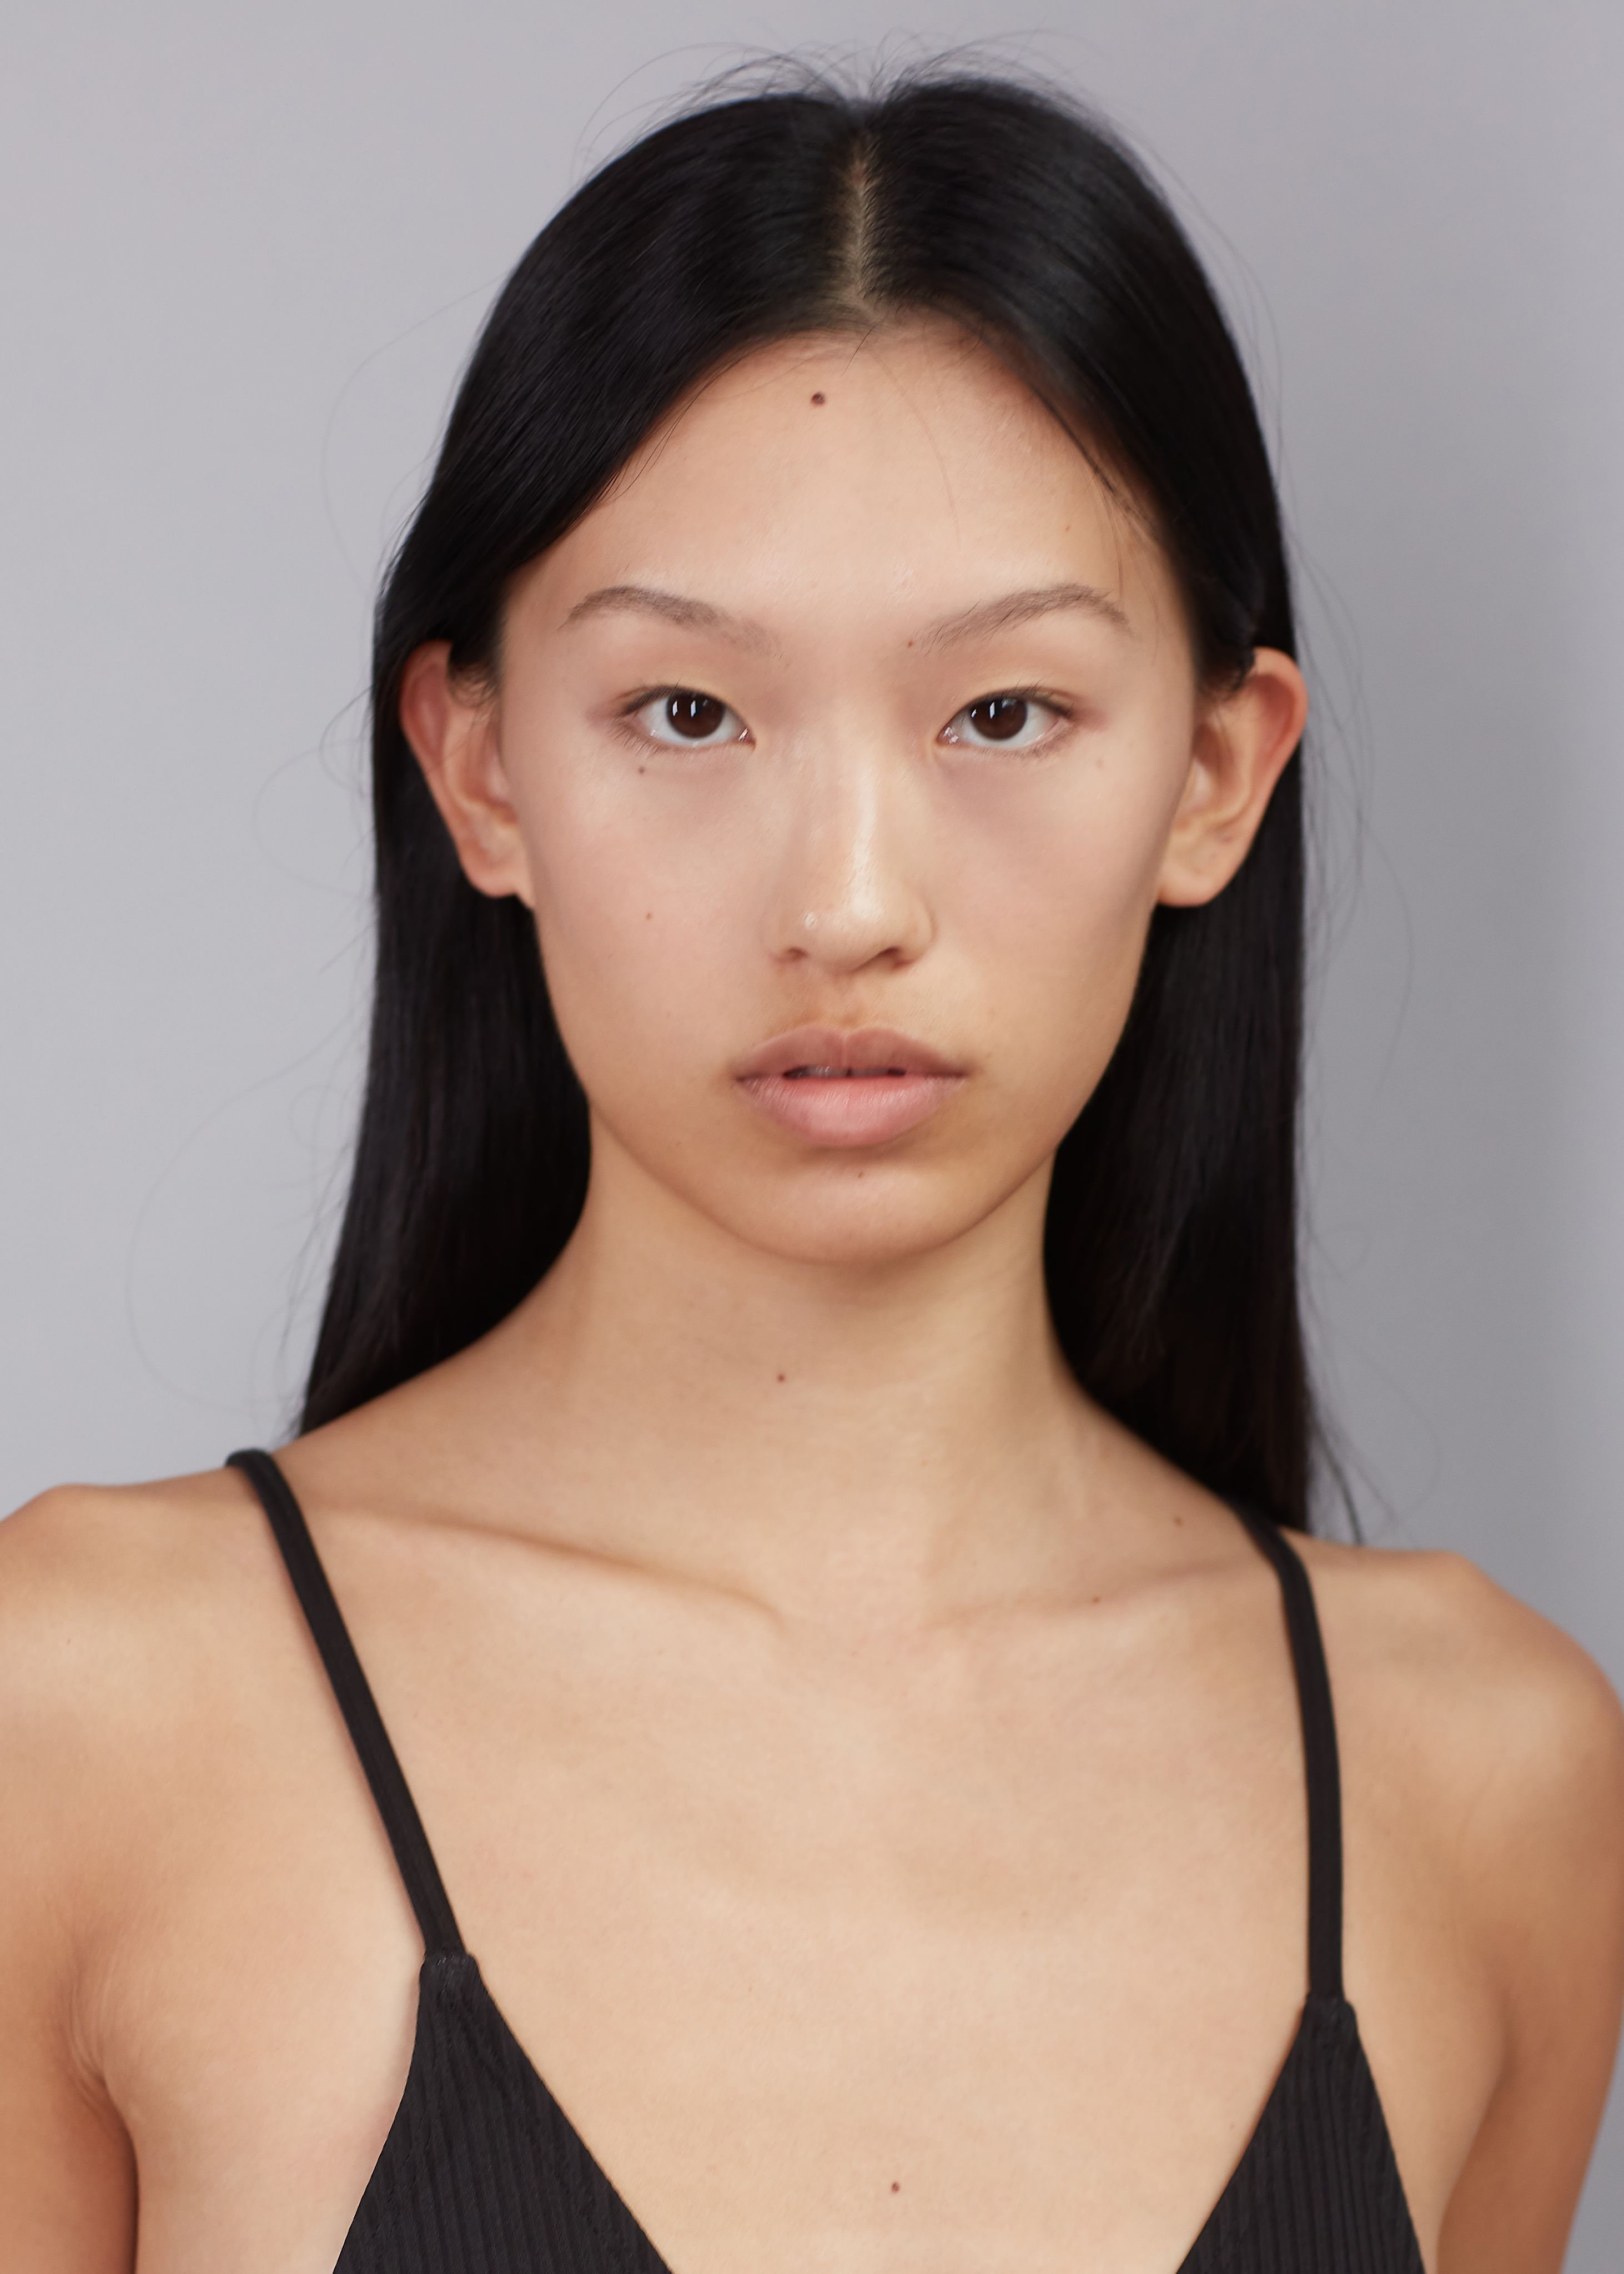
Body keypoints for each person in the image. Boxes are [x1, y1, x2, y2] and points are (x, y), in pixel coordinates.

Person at [2, 66, 1620, 2274]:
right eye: (686, 713)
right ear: (479, 770)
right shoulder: (88, 1713)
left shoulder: (1486, 1780)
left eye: (1003, 714)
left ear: (1216, 778)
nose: (849, 904)